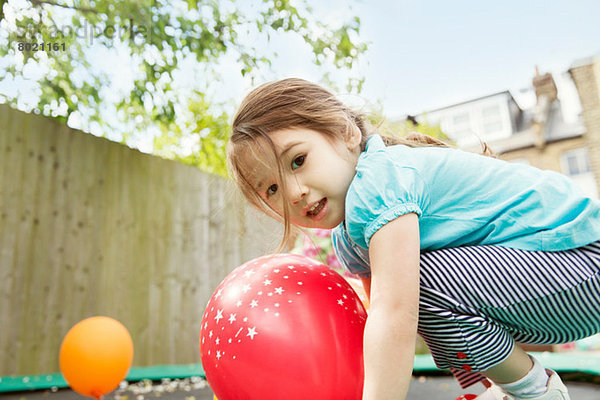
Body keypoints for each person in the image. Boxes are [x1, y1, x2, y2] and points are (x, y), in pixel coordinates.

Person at [226, 77, 600, 400]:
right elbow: (379, 320)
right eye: (272, 188)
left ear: (346, 134)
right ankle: (498, 387)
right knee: (410, 294)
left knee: (410, 288)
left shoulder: (381, 182)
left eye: (298, 161)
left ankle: (536, 390)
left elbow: (394, 320)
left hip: (582, 262)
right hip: (554, 281)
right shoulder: (349, 237)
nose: (293, 193)